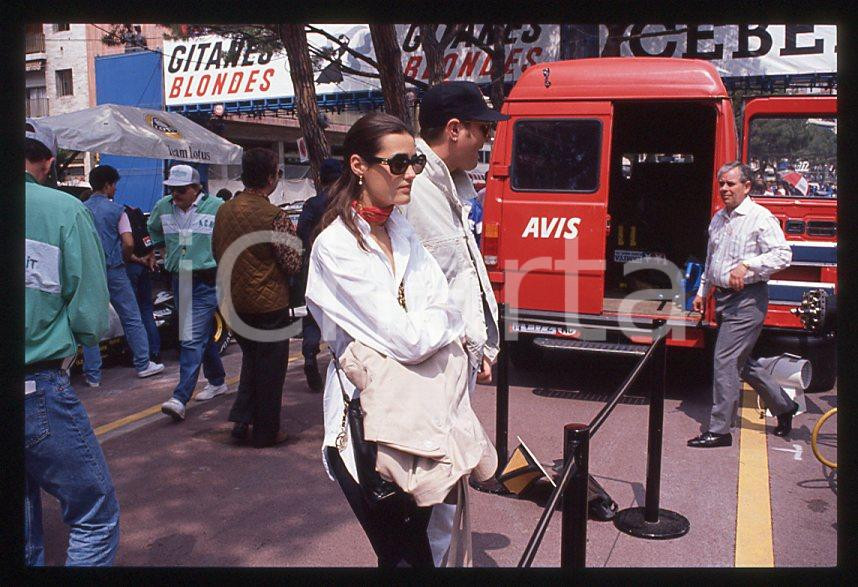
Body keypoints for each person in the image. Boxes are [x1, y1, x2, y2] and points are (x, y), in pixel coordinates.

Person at [305, 112, 463, 568]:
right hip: (364, 430)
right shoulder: (335, 247)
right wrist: (436, 324)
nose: (411, 171)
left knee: (419, 554)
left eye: (414, 161)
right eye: (398, 163)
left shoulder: (402, 229)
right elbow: (411, 337)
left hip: (423, 421)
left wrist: (432, 321)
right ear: (358, 165)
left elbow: (446, 303)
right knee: (405, 560)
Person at [402, 80, 507, 566]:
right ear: (454, 128)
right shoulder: (414, 187)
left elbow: (462, 273)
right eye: (482, 130)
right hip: (433, 361)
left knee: (451, 472)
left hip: (456, 356)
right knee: (438, 475)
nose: (485, 140)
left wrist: (479, 347)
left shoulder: (452, 185)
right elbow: (424, 288)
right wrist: (466, 345)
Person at [24, 118, 120, 565]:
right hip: (35, 387)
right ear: (46, 160)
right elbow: (90, 311)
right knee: (94, 515)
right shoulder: (63, 210)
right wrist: (83, 342)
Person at [688, 162, 797, 448]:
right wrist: (703, 291)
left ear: (747, 186)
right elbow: (712, 259)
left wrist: (748, 264)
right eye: (721, 183)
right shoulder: (718, 218)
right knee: (741, 363)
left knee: (724, 360)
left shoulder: (760, 217)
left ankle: (720, 430)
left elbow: (783, 255)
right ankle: (784, 406)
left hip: (748, 300)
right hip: (723, 298)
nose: (724, 189)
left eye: (731, 184)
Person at [212, 148, 302, 447]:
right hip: (268, 304)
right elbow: (292, 262)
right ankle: (266, 431)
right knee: (270, 369)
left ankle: (241, 418)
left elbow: (216, 250)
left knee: (252, 360)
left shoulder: (224, 210)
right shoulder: (273, 215)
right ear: (268, 177)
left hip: (234, 300)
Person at [148, 164, 227, 421]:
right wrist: (162, 251)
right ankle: (217, 380)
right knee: (198, 333)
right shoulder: (163, 207)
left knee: (190, 337)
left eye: (182, 190)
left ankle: (180, 397)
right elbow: (154, 229)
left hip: (207, 280)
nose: (176, 194)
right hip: (179, 278)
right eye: (172, 189)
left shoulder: (216, 207)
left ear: (196, 189)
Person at [80, 165, 164, 386]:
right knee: (131, 316)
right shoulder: (118, 211)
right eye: (114, 184)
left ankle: (93, 375)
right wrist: (126, 256)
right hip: (115, 269)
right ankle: (143, 363)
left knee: (91, 322)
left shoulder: (80, 209)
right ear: (108, 185)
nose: (115, 189)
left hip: (91, 270)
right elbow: (128, 242)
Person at [296, 157, 343, 392]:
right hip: (342, 267)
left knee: (313, 315)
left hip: (315, 266)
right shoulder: (347, 202)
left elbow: (301, 234)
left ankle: (309, 354)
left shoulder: (312, 204)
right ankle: (341, 361)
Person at [124, 203, 161, 363]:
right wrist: (148, 259)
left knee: (132, 314)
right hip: (145, 267)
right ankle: (155, 350)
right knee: (146, 310)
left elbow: (126, 246)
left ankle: (139, 354)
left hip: (131, 268)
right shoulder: (138, 219)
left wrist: (136, 259)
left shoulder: (121, 218)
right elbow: (149, 243)